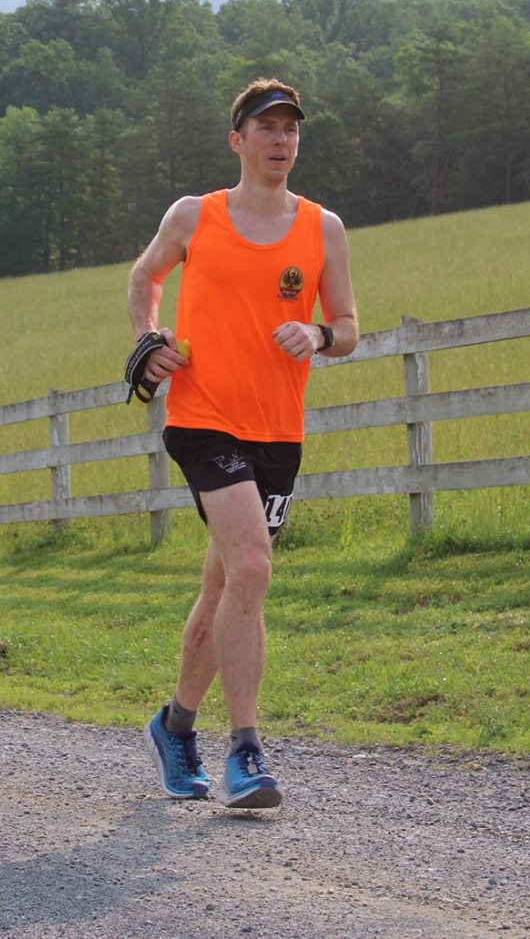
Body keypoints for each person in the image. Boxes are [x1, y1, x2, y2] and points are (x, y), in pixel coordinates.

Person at [128, 78, 359, 809]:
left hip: (277, 432)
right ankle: (247, 751)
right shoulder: (197, 215)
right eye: (266, 127)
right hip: (201, 418)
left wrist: (321, 334)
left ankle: (175, 726)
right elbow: (145, 275)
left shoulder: (323, 228)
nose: (280, 139)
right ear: (238, 140)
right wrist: (149, 339)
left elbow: (349, 326)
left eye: (290, 127)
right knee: (253, 567)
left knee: (226, 584)